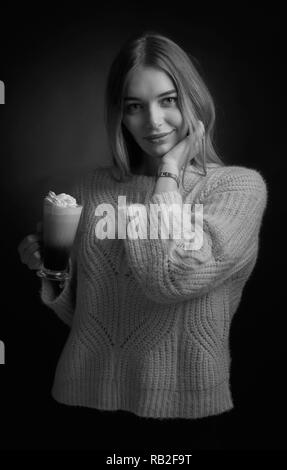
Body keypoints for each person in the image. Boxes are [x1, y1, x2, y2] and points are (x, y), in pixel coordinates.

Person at [17, 30, 268, 421]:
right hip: (84, 391)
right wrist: (50, 267)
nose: (153, 122)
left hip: (187, 403)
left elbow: (172, 278)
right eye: (134, 106)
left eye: (168, 101)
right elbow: (87, 313)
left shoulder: (236, 188)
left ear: (193, 100)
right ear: (120, 114)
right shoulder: (96, 188)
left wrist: (167, 176)